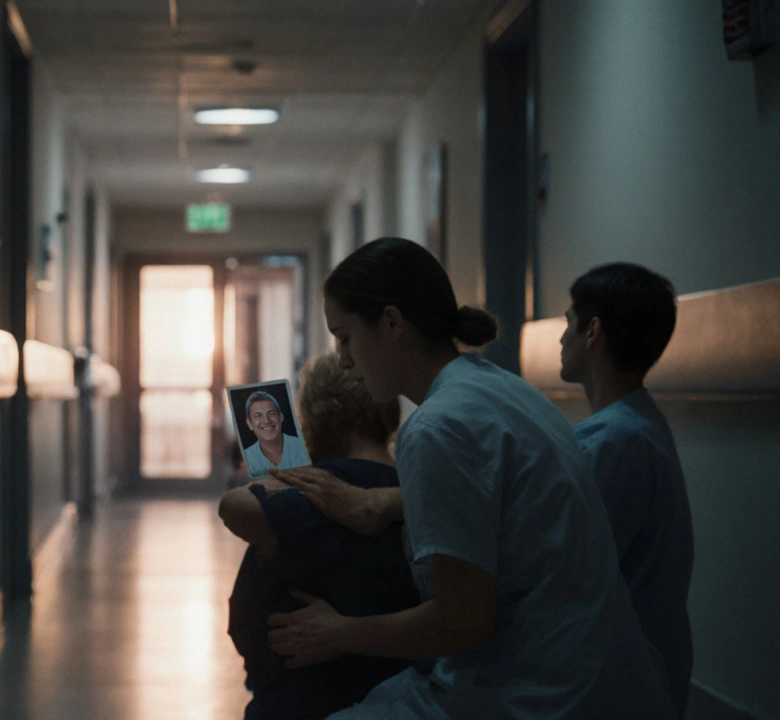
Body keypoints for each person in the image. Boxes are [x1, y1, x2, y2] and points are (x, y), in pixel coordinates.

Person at [267, 237, 674, 719]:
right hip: (605, 679)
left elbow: (463, 623)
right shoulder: (502, 387)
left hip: (544, 696)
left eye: (345, 337)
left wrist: (340, 633)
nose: (343, 359)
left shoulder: (435, 427)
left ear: (392, 324)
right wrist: (383, 504)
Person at [220, 351, 420, 720]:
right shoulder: (421, 492)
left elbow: (235, 507)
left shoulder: (314, 498)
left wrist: (285, 477)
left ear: (315, 421)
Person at [560, 262, 694, 717]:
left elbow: (564, 576)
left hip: (617, 686)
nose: (561, 339)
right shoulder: (638, 423)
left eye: (568, 322)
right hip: (646, 673)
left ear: (592, 331)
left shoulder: (612, 443)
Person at [241, 390, 310, 477]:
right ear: (250, 424)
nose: (266, 421)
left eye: (271, 414)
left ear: (280, 418)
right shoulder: (246, 458)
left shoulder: (303, 447)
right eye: (258, 416)